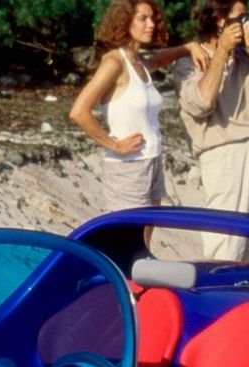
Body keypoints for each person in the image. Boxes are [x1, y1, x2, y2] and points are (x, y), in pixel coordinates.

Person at [69, 0, 204, 225]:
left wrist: (188, 47)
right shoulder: (114, 62)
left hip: (152, 160)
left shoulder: (138, 62)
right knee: (125, 239)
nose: (151, 24)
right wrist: (115, 146)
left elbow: (160, 58)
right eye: (143, 18)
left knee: (144, 239)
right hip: (128, 169)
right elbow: (79, 111)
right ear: (124, 22)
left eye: (152, 18)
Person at [174, 0, 249, 263]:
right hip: (222, 155)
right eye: (240, 18)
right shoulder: (189, 62)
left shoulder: (247, 59)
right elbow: (201, 103)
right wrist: (221, 52)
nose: (246, 23)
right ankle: (220, 288)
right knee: (224, 246)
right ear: (219, 20)